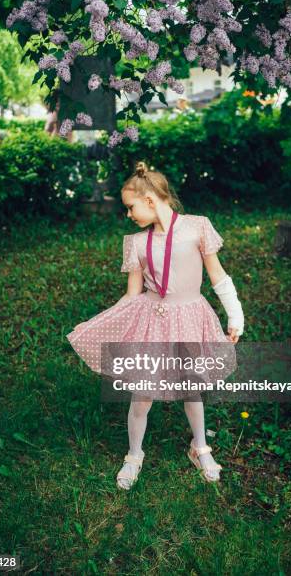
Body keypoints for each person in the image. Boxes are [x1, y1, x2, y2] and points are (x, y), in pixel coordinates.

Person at [66, 161, 244, 490]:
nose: (129, 214)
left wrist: (235, 315)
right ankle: (134, 454)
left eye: (130, 207)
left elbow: (217, 275)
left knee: (193, 386)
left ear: (150, 199)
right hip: (154, 322)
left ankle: (200, 447)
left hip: (191, 316)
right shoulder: (135, 242)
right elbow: (132, 296)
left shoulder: (197, 227)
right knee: (142, 393)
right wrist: (100, 322)